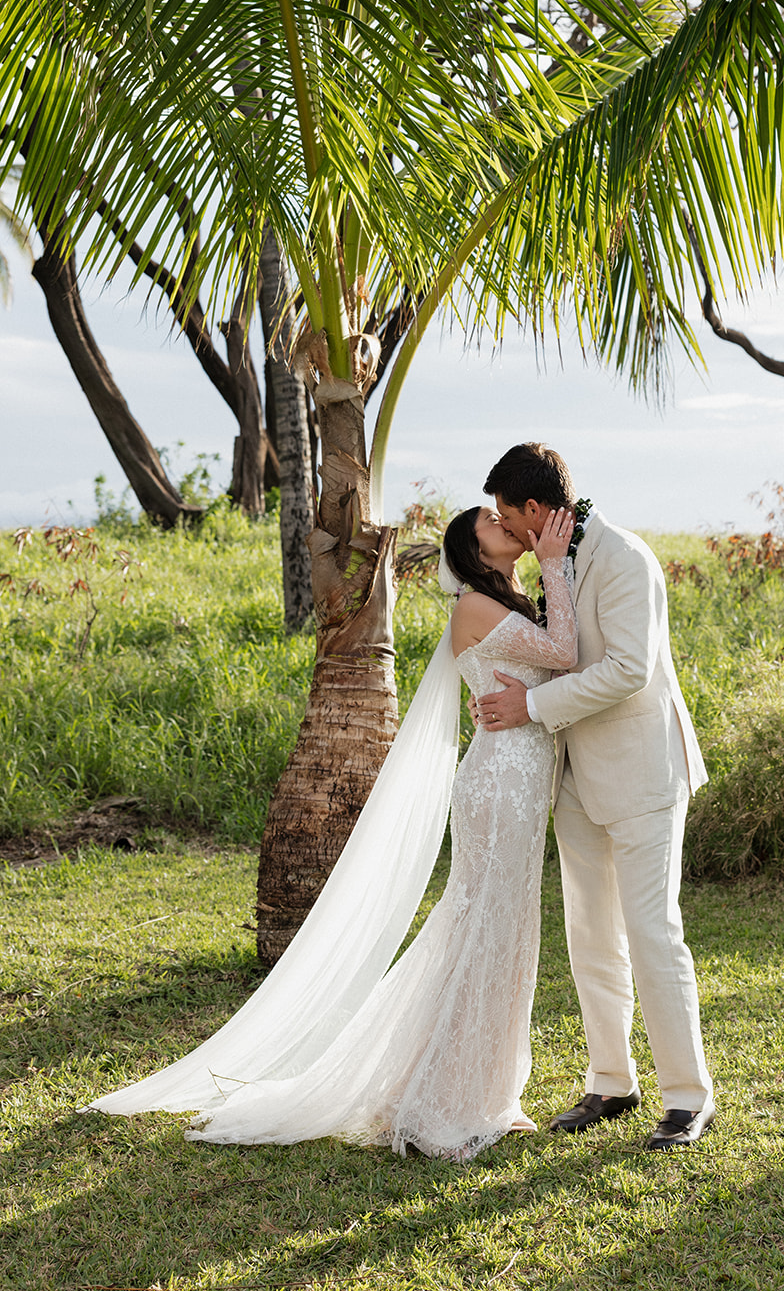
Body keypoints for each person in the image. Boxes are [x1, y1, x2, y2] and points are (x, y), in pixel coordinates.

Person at [84, 505, 578, 1162]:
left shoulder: (510, 601)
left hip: (521, 781)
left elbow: (560, 665)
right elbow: (568, 653)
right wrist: (553, 563)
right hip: (497, 786)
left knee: (506, 930)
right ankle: (438, 1099)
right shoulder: (471, 609)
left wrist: (550, 579)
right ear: (471, 548)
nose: (500, 519)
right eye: (488, 519)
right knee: (481, 926)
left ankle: (486, 1091)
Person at [478, 444, 714, 1150]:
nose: (499, 524)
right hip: (573, 773)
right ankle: (610, 1083)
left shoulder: (623, 558)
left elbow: (628, 670)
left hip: (641, 771)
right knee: (589, 937)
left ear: (533, 510)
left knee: (651, 934)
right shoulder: (548, 562)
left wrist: (532, 706)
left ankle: (686, 1098)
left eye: (502, 513)